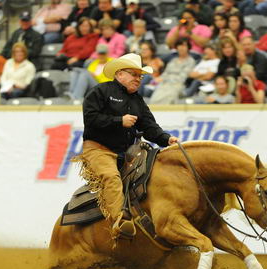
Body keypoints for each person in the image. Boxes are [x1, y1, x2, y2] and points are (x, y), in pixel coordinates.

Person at [80, 52, 178, 238]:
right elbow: (90, 118)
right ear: (119, 74)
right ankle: (120, 222)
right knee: (111, 177)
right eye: (134, 74)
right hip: (99, 150)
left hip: (127, 154)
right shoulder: (101, 91)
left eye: (140, 76)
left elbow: (149, 127)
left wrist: (167, 139)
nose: (138, 79)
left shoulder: (138, 100)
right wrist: (119, 121)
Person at [149, 37, 195, 104]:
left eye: (184, 45)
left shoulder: (190, 61)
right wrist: (159, 78)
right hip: (165, 83)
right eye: (179, 45)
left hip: (178, 84)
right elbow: (166, 73)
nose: (181, 47)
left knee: (169, 96)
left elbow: (182, 77)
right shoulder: (173, 60)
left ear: (188, 47)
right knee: (156, 96)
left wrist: (165, 79)